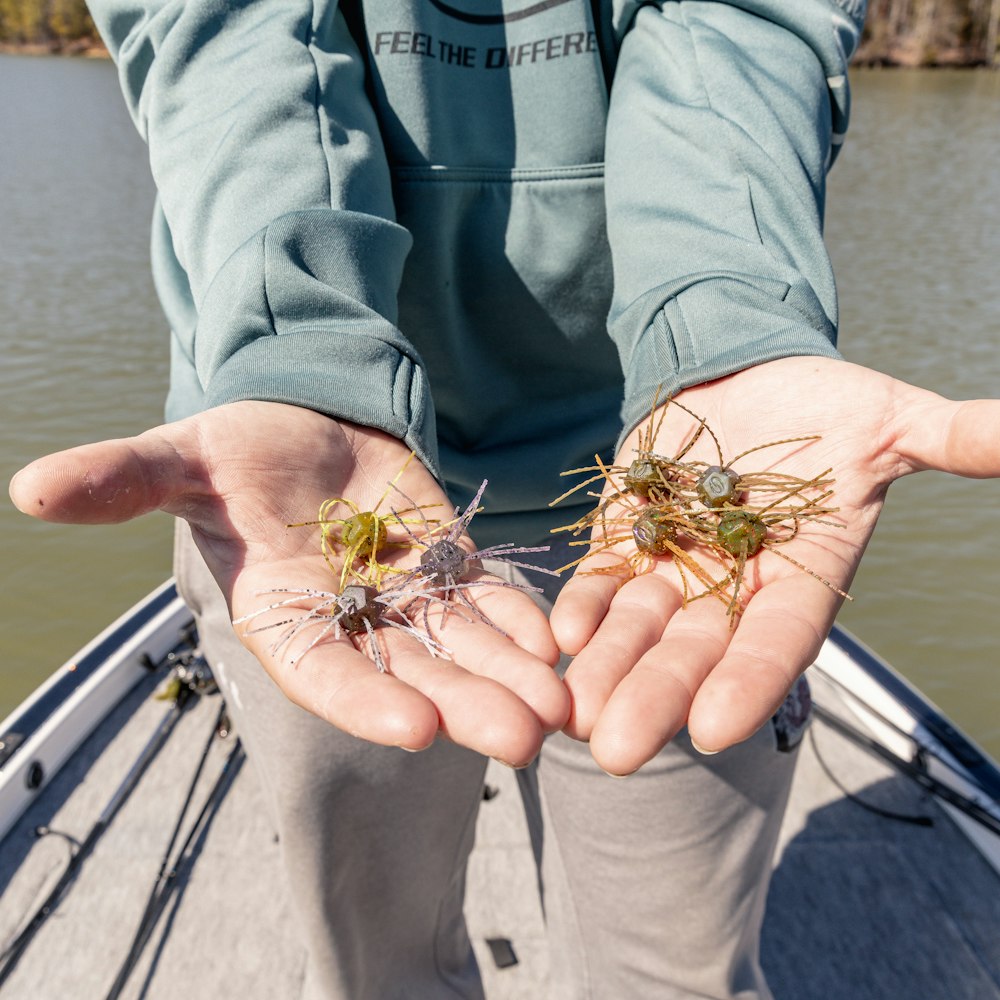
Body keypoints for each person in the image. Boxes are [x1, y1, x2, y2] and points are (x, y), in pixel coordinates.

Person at [10, 1, 1000, 997]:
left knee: (674, 972)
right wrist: (298, 354)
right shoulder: (347, 568)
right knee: (372, 967)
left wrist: (731, 332)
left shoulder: (689, 505)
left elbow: (738, 28)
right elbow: (227, 36)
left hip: (641, 492)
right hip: (290, 486)